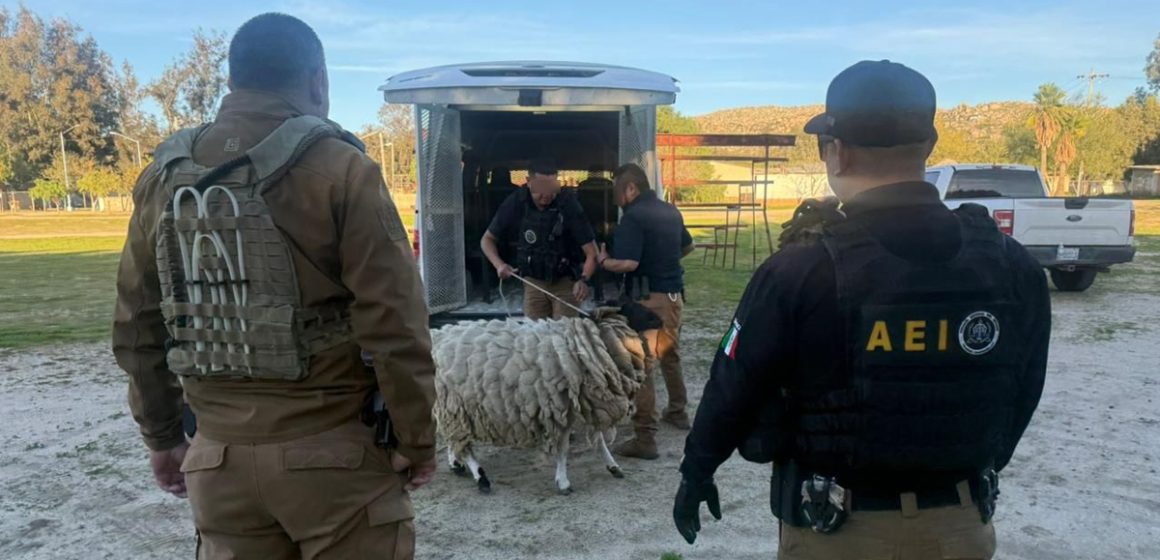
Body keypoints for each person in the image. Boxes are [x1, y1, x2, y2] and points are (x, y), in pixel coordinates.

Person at [672, 60, 1051, 559]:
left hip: (841, 532)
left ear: (836, 151)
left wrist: (698, 470)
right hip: (962, 527)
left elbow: (734, 384)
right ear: (929, 145)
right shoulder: (1011, 264)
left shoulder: (801, 269)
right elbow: (1025, 388)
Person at [112, 13, 436, 559]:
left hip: (217, 463)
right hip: (337, 462)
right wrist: (416, 440)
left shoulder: (164, 177)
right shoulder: (343, 169)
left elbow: (137, 324)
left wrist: (162, 436)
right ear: (318, 81)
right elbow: (395, 323)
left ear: (232, 80)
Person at [598, 163, 695, 459]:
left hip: (648, 300)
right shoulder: (670, 211)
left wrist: (603, 261)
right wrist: (663, 261)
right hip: (673, 296)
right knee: (670, 355)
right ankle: (677, 412)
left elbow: (628, 263)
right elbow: (688, 247)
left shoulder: (633, 217)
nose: (617, 197)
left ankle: (645, 438)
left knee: (642, 364)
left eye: (618, 190)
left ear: (631, 188)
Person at [481, 158, 598, 319]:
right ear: (528, 182)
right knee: (534, 332)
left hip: (565, 283)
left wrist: (584, 280)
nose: (547, 194)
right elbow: (486, 240)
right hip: (533, 283)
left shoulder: (568, 204)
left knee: (565, 332)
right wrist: (499, 265)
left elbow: (592, 252)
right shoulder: (517, 201)